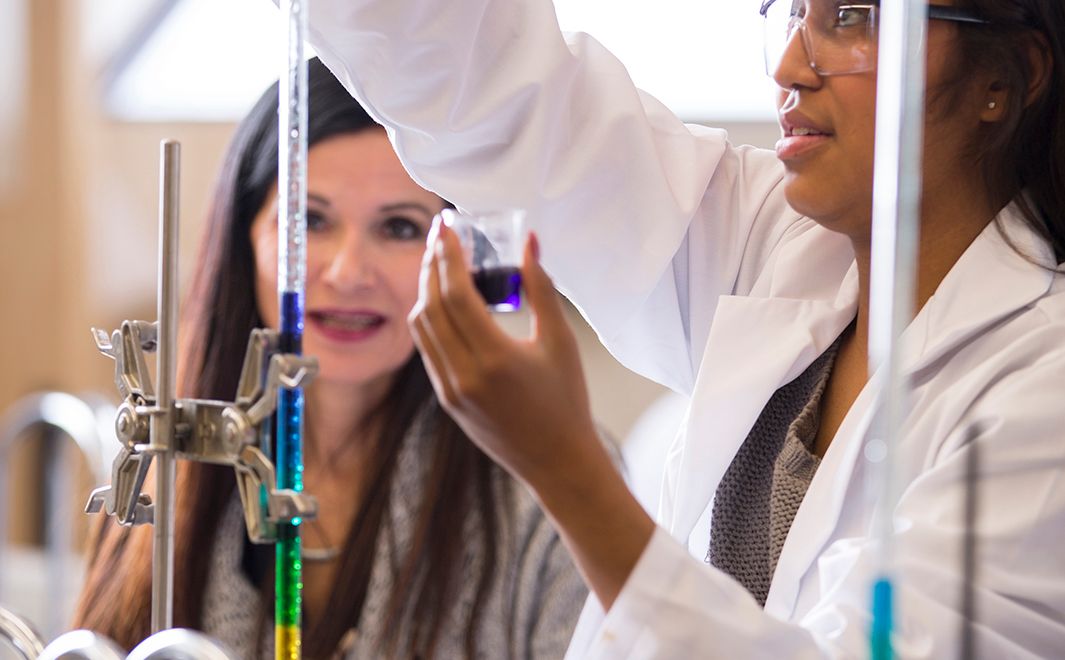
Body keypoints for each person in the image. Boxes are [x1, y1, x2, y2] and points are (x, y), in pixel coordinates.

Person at [292, 0, 1065, 657]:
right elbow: (499, 99)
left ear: (1004, 79)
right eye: (791, 14)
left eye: (850, 19)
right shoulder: (773, 241)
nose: (791, 65)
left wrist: (567, 470)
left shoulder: (1042, 384)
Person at [72, 58, 587, 659]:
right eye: (309, 221)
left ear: (459, 254)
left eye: (398, 228)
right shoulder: (163, 470)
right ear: (245, 238)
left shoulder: (545, 480)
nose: (347, 273)